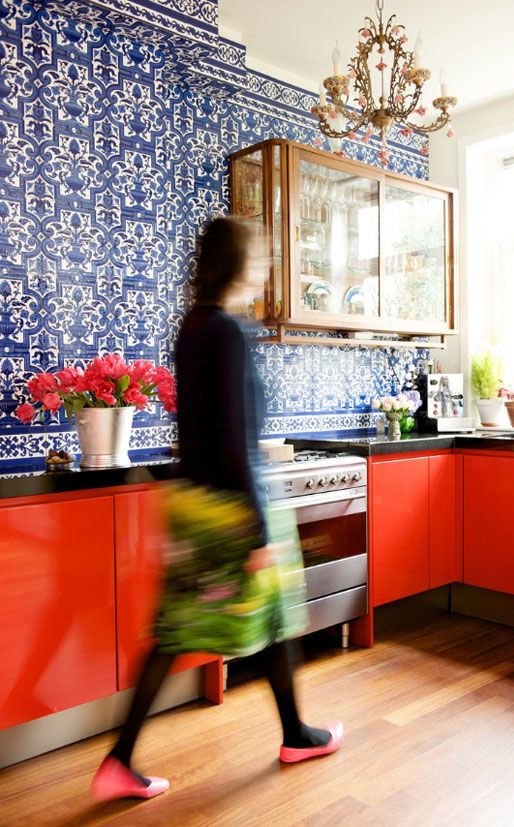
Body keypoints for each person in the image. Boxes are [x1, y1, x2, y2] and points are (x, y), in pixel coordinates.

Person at [91, 216, 343, 802]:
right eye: (260, 258)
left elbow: (205, 434)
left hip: (195, 503)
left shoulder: (194, 326)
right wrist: (257, 530)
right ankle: (294, 735)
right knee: (273, 619)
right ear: (237, 263)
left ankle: (123, 759)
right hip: (234, 508)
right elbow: (232, 441)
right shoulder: (227, 331)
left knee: (179, 629)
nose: (266, 268)